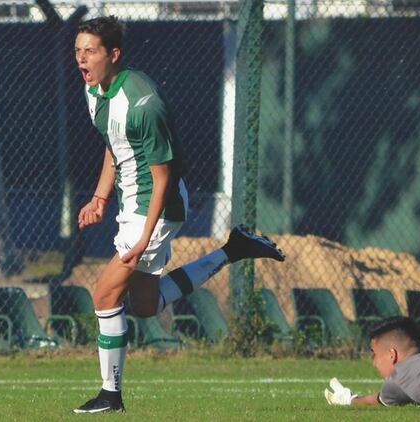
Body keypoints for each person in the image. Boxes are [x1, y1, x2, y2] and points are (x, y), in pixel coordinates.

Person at [72, 16, 286, 414]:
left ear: (114, 55)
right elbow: (114, 143)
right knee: (145, 306)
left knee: (104, 294)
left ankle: (110, 396)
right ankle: (233, 249)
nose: (81, 59)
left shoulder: (143, 104)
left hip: (156, 206)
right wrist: (100, 197)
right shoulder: (94, 92)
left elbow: (164, 176)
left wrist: (143, 238)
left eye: (91, 51)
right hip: (132, 203)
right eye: (78, 51)